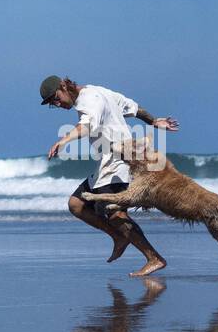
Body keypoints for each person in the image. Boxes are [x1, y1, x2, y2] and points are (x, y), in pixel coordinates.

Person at [40, 75, 179, 277]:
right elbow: (132, 107)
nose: (56, 103)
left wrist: (64, 140)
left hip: (119, 162)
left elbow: (87, 125)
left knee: (115, 213)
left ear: (63, 86)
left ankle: (154, 258)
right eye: (51, 103)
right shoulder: (100, 91)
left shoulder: (89, 100)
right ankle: (118, 237)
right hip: (105, 165)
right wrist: (153, 120)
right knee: (76, 204)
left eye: (55, 98)